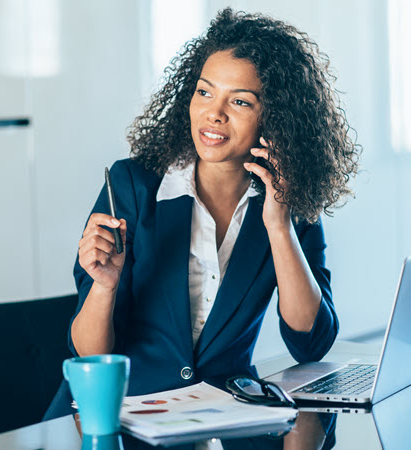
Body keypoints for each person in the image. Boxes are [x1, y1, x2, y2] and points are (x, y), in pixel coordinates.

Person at [44, 8, 360, 424]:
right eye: (205, 92)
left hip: (224, 420)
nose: (215, 113)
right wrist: (103, 287)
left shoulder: (288, 201)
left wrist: (278, 226)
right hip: (117, 418)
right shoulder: (133, 187)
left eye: (241, 101)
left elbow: (310, 344)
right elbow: (91, 354)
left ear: (275, 118)